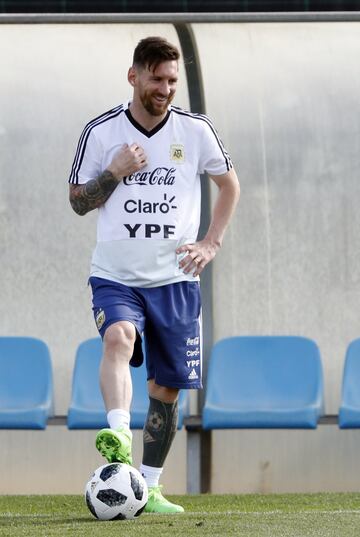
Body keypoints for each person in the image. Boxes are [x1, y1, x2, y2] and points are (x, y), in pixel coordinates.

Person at [68, 36, 240, 514]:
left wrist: (211, 242)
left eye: (171, 81)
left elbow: (229, 184)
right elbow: (78, 201)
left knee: (166, 389)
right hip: (116, 276)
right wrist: (115, 172)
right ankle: (118, 432)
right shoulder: (101, 132)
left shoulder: (196, 130)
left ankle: (149, 487)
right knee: (119, 338)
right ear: (134, 76)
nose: (165, 89)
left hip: (176, 279)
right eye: (157, 79)